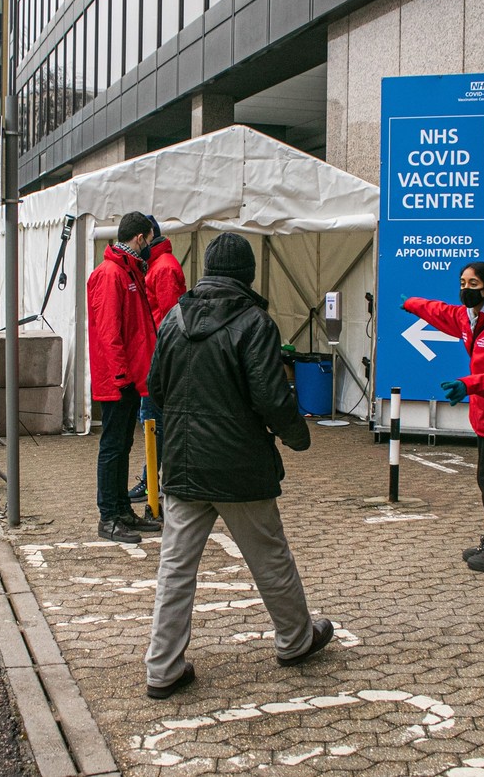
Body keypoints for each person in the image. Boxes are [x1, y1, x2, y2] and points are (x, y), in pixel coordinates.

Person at [144, 232, 334, 699]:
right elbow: (271, 397)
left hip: (184, 466)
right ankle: (295, 640)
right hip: (240, 467)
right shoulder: (255, 322)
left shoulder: (174, 318)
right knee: (269, 557)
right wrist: (297, 435)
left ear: (207, 270)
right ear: (247, 274)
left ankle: (162, 668)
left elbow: (156, 387)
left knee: (175, 567)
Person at [402, 261, 484, 573]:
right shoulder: (471, 318)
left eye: (473, 284)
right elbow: (442, 312)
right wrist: (412, 304)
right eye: (462, 282)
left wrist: (468, 384)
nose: (465, 289)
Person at [86, 211, 163, 543]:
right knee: (113, 446)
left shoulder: (126, 272)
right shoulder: (112, 275)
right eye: (148, 238)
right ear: (139, 238)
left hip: (129, 376)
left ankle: (120, 511)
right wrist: (120, 375)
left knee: (121, 445)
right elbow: (109, 332)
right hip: (119, 379)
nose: (150, 245)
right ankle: (109, 516)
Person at [128, 217, 187, 510]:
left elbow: (169, 319)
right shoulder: (160, 265)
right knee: (154, 421)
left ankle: (151, 482)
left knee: (154, 421)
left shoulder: (162, 268)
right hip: (155, 355)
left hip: (158, 357)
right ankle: (151, 480)